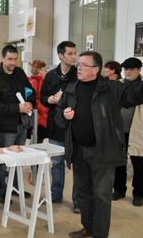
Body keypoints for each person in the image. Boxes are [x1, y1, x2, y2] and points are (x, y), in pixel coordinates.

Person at [55, 51, 143, 238]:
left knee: (101, 196)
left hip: (102, 151)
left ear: (96, 69)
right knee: (83, 194)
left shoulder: (111, 89)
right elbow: (58, 117)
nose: (79, 67)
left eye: (84, 65)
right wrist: (63, 115)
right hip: (78, 151)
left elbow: (135, 93)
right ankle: (88, 228)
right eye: (79, 64)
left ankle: (100, 235)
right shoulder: (71, 88)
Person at [0, 45, 36, 204]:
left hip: (21, 123)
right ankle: (1, 190)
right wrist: (17, 107)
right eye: (10, 59)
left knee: (18, 158)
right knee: (2, 161)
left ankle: (15, 187)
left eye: (15, 59)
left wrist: (29, 103)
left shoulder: (20, 73)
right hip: (4, 126)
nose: (13, 62)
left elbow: (29, 91)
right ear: (3, 59)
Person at [112, 57, 143, 206]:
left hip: (138, 135)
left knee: (138, 166)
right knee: (118, 164)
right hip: (119, 133)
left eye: (131, 69)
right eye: (125, 69)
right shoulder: (117, 86)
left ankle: (139, 194)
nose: (127, 72)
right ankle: (119, 190)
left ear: (139, 70)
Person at [40, 41, 79, 213]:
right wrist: (51, 100)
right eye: (70, 53)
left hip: (74, 125)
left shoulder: (78, 75)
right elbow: (43, 97)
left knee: (77, 164)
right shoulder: (51, 76)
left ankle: (78, 201)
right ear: (60, 56)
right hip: (56, 125)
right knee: (56, 162)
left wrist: (65, 101)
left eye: (74, 53)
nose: (73, 56)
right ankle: (55, 194)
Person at [28, 60, 48, 143]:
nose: (46, 72)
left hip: (41, 115)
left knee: (41, 139)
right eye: (44, 69)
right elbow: (33, 99)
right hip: (39, 117)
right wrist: (44, 108)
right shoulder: (34, 81)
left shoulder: (40, 81)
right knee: (38, 140)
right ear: (39, 70)